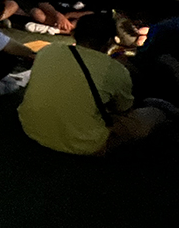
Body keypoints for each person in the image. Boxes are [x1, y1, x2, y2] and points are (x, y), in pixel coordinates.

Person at [18, 15, 170, 155]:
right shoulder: (114, 69)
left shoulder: (49, 50)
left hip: (30, 127)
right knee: (154, 114)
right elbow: (123, 108)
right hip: (83, 144)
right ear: (110, 41)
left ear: (75, 34)